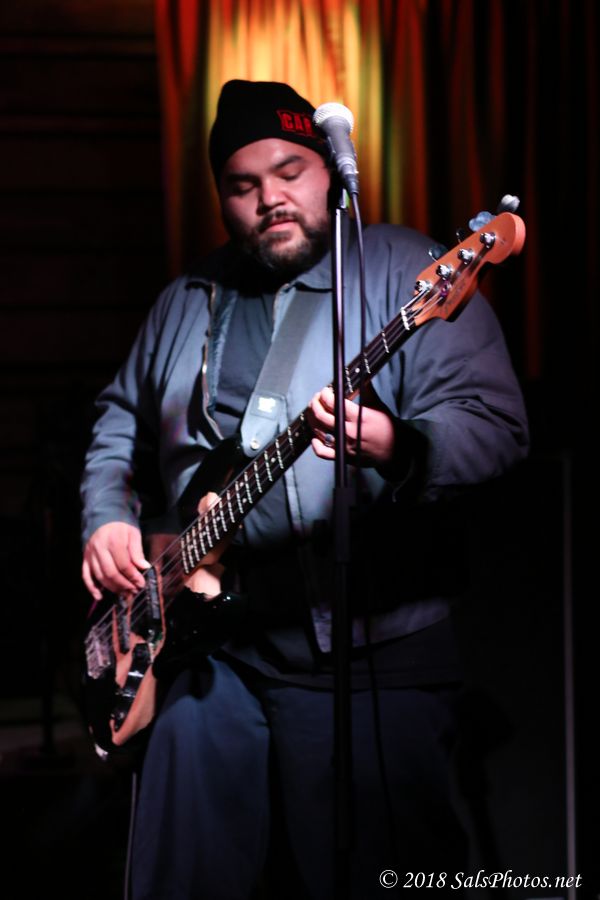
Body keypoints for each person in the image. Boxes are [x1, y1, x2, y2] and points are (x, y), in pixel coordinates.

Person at [80, 80, 529, 899]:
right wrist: (107, 515)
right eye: (242, 185)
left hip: (368, 653)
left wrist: (398, 446)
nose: (269, 200)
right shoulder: (187, 299)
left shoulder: (403, 271)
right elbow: (119, 417)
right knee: (180, 873)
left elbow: (496, 427)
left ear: (329, 170)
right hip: (210, 653)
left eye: (289, 172)